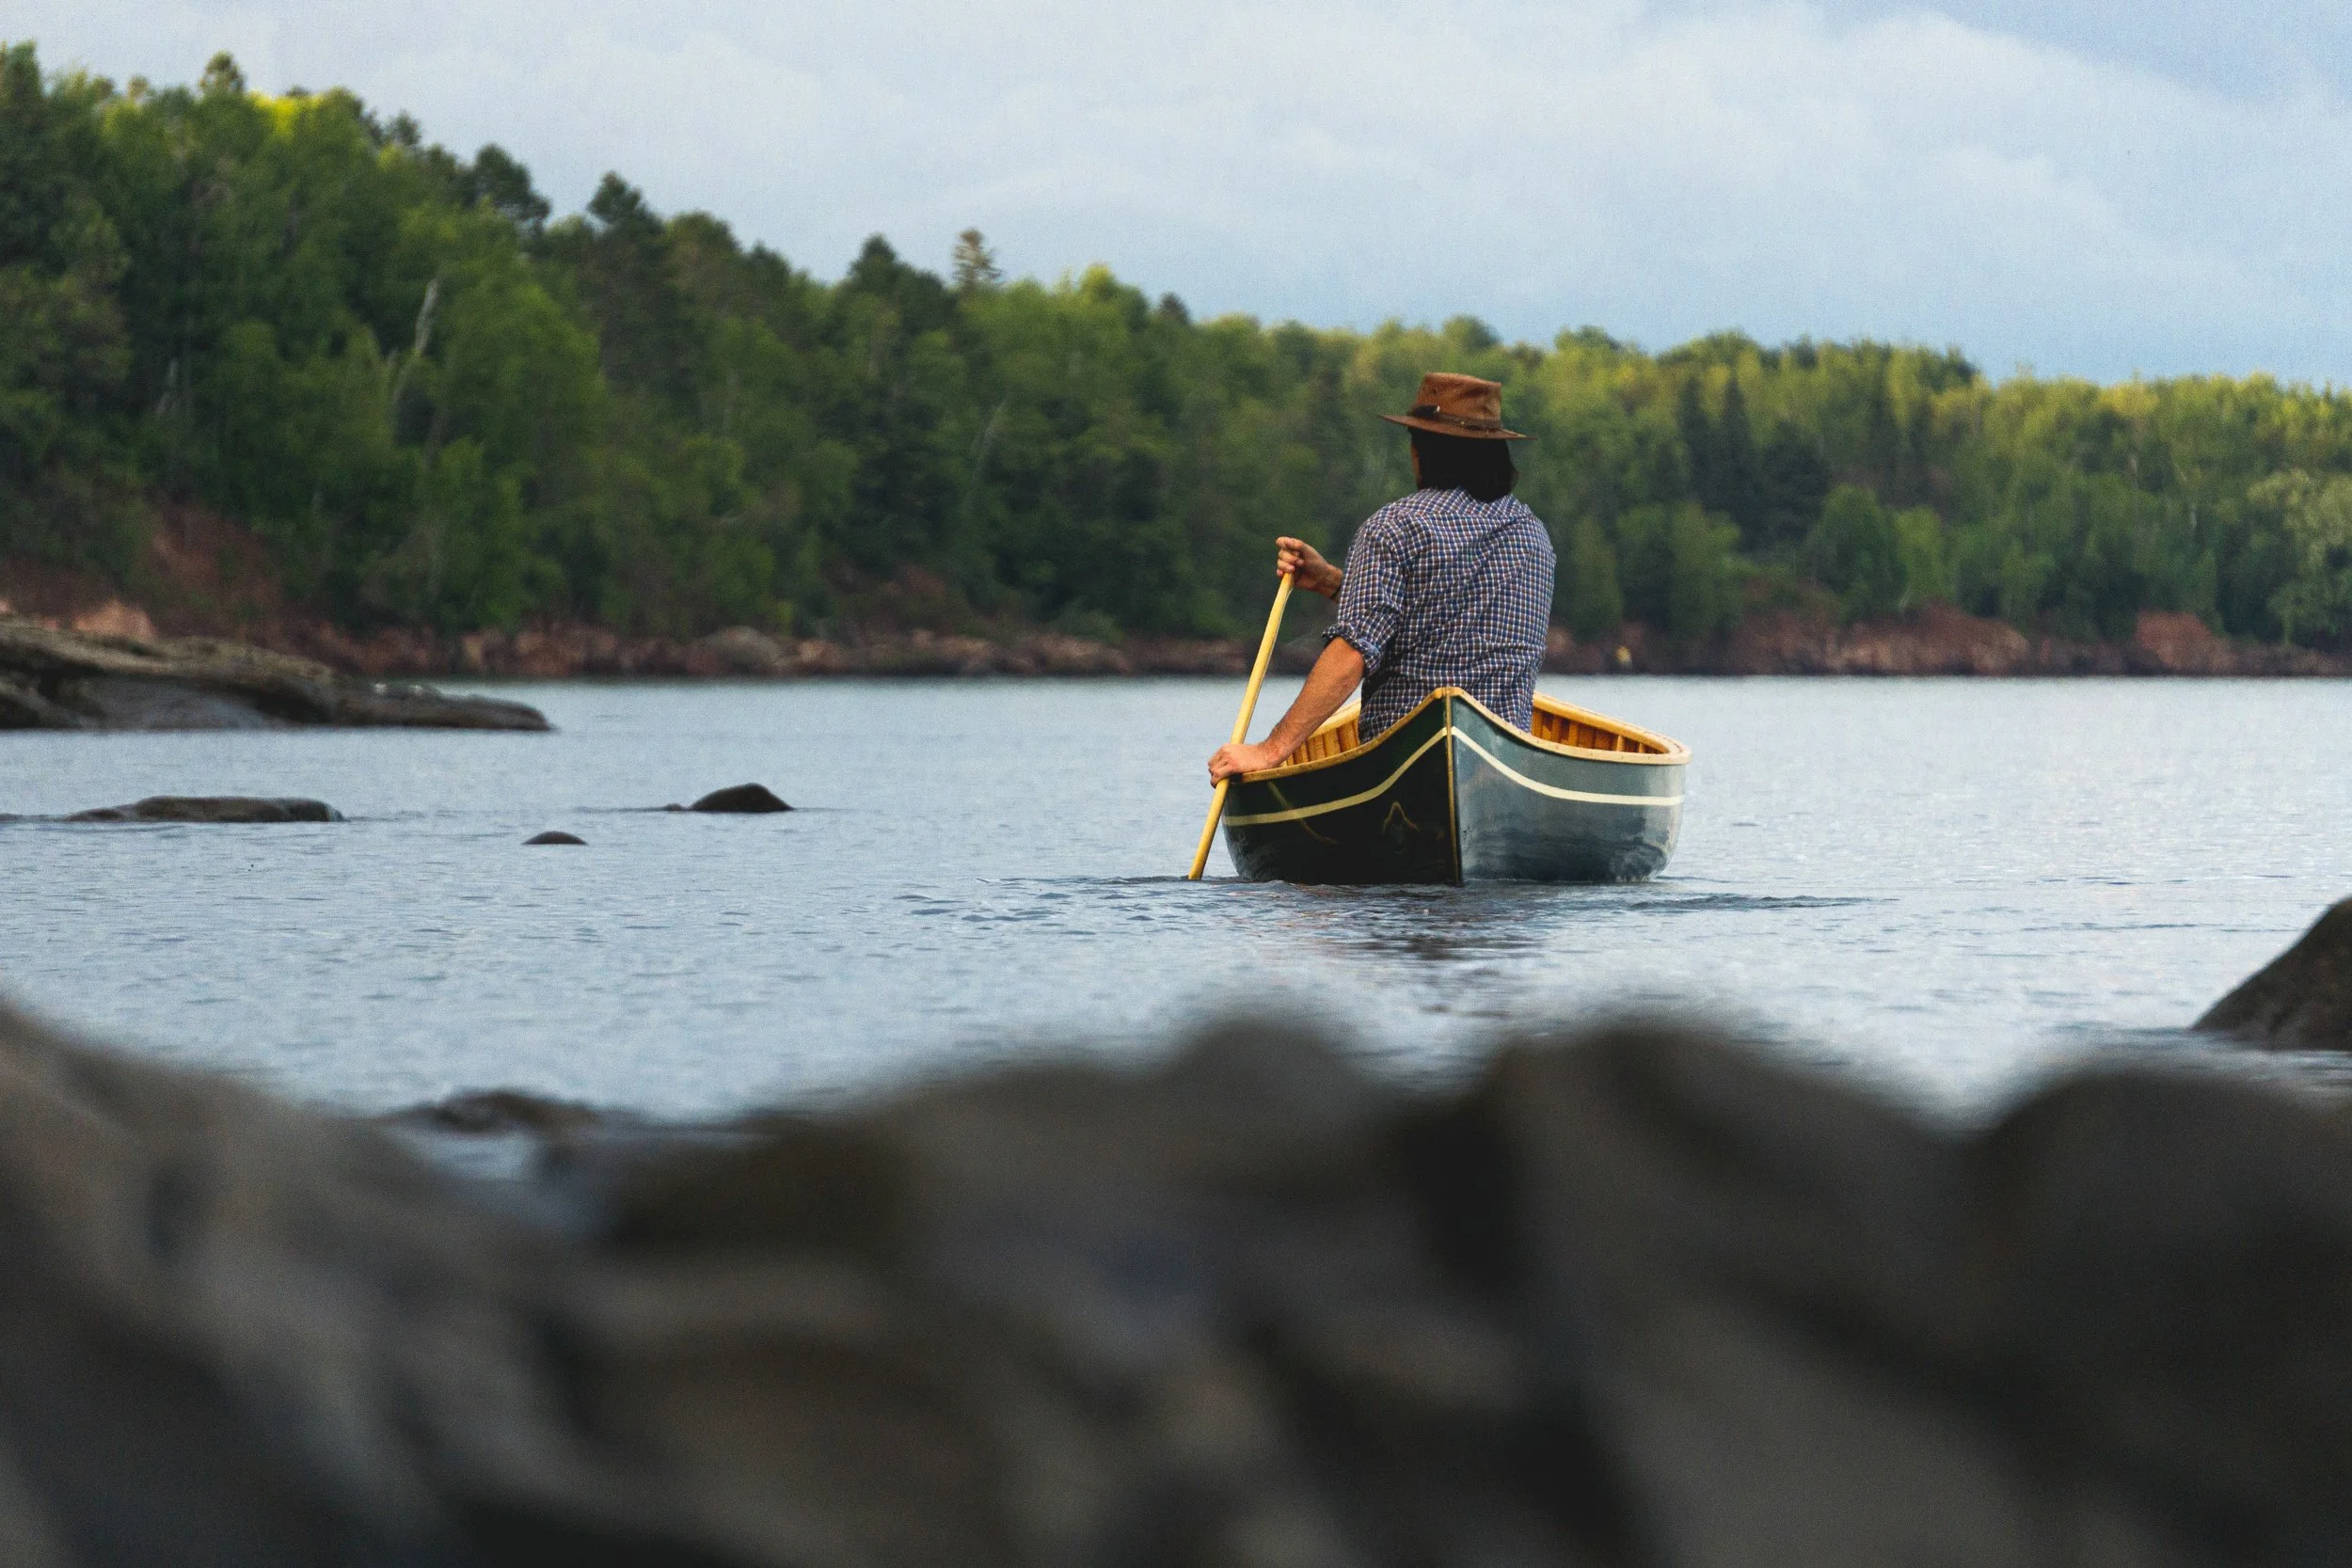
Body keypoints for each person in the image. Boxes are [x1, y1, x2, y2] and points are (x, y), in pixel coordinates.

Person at [1207, 372, 1554, 782]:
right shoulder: (1532, 534)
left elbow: (1352, 654)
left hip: (1401, 768)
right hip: (1502, 771)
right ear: (1494, 453)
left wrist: (1269, 751)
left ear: (1424, 450)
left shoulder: (1395, 528)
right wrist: (1334, 583)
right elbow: (1444, 613)